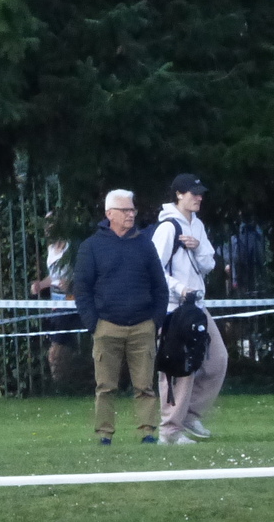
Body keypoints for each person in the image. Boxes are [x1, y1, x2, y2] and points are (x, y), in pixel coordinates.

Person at [72, 190, 169, 444]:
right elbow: (82, 289)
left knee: (145, 385)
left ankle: (148, 433)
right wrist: (94, 324)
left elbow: (160, 287)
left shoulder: (144, 244)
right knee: (105, 386)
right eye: (125, 210)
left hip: (142, 326)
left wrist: (154, 322)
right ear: (109, 214)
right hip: (106, 326)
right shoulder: (91, 247)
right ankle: (104, 434)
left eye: (132, 209)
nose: (131, 214)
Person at [153, 174, 228, 444]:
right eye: (193, 193)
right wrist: (180, 288)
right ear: (178, 195)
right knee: (179, 368)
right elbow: (155, 270)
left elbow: (208, 264)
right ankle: (170, 431)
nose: (199, 197)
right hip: (174, 309)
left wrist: (196, 248)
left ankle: (190, 414)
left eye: (200, 193)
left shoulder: (197, 224)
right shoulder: (167, 228)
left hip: (196, 307)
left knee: (217, 360)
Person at [29, 223, 77, 380]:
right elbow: (53, 276)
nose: (47, 229)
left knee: (57, 347)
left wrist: (71, 283)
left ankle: (60, 380)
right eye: (46, 225)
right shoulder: (50, 248)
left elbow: (82, 271)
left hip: (71, 300)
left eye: (51, 224)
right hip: (55, 300)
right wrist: (40, 285)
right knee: (61, 344)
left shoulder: (71, 247)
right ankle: (63, 381)